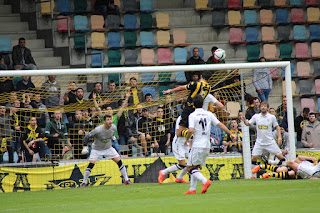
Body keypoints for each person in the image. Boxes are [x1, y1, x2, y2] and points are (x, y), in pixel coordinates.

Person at [183, 95, 235, 194]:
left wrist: (187, 139)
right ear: (203, 104)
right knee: (195, 166)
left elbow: (190, 130)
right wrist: (230, 133)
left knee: (189, 167)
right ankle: (192, 189)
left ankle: (205, 181)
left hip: (197, 145)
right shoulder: (209, 114)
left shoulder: (192, 115)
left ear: (193, 105)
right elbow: (220, 124)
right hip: (207, 145)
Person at [80, 114, 132, 187]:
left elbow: (112, 133)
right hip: (97, 149)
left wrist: (113, 137)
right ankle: (84, 182)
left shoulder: (113, 127)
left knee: (119, 161)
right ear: (104, 121)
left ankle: (127, 180)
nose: (110, 121)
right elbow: (87, 136)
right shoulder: (98, 129)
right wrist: (85, 147)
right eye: (108, 120)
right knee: (91, 164)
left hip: (108, 148)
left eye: (110, 119)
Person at [163, 71, 218, 138]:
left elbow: (181, 88)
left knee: (179, 132)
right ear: (208, 79)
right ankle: (192, 135)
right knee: (191, 128)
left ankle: (192, 135)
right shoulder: (209, 88)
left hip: (188, 108)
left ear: (201, 76)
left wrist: (170, 91)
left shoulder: (195, 84)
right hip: (196, 110)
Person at [239, 101, 286, 177]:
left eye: (265, 106)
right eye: (262, 106)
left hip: (270, 142)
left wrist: (279, 137)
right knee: (253, 158)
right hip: (259, 142)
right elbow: (248, 124)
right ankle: (253, 176)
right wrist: (244, 120)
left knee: (281, 157)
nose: (263, 107)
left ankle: (285, 171)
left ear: (267, 108)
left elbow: (277, 126)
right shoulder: (256, 116)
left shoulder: (271, 117)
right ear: (260, 108)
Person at [158, 115, 190, 184]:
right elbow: (178, 133)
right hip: (179, 144)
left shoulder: (193, 117)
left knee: (192, 162)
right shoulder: (181, 118)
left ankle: (179, 178)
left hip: (186, 143)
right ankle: (163, 172)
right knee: (182, 165)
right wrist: (191, 134)